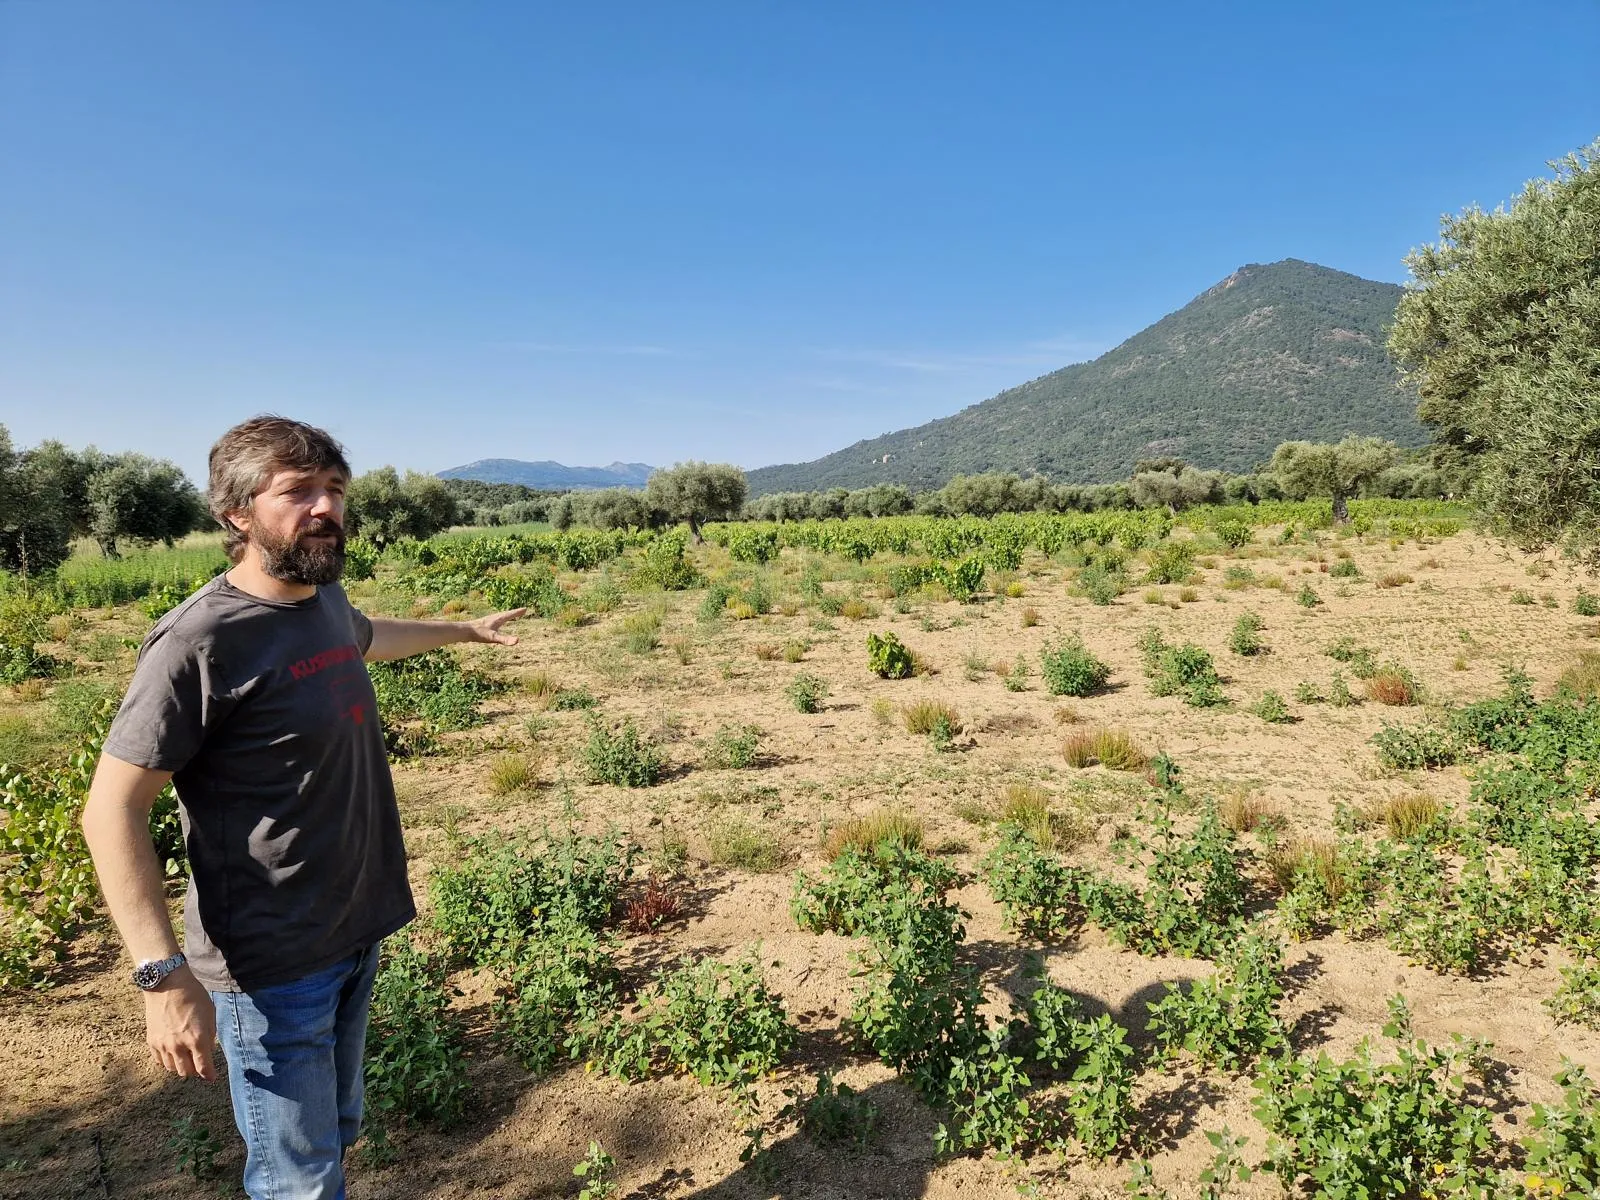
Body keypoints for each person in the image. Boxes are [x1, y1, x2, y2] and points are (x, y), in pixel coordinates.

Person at [81, 415, 524, 1200]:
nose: (326, 507)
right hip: (270, 963)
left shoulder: (320, 599)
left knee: (334, 1140)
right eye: (298, 492)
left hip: (354, 928)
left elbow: (364, 636)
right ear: (237, 513)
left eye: (336, 490)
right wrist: (161, 977)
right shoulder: (197, 642)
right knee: (299, 1180)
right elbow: (110, 810)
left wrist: (465, 630)